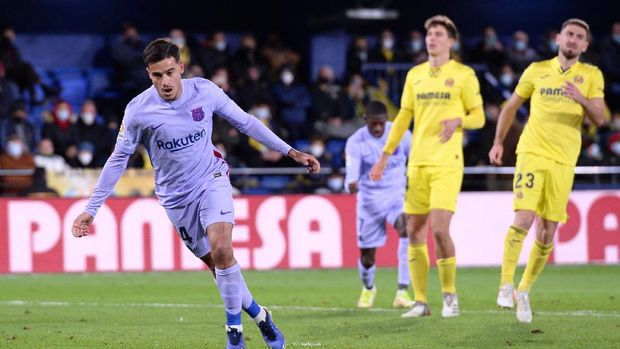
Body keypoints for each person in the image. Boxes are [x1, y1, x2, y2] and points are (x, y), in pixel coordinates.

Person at [71, 38, 320, 349]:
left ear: (181, 68)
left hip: (211, 178)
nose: (165, 82)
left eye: (170, 73)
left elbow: (245, 122)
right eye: (156, 76)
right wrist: (92, 208)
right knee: (220, 267)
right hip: (176, 198)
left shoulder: (205, 91)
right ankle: (261, 316)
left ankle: (234, 333)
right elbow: (118, 158)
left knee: (222, 249)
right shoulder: (138, 111)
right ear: (148, 75)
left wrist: (290, 152)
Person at [489, 18, 606, 323]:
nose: (573, 40)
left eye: (579, 37)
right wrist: (498, 142)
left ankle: (523, 291)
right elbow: (510, 107)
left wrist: (581, 99)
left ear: (585, 45)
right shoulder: (536, 70)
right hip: (532, 152)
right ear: (558, 38)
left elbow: (601, 119)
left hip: (564, 160)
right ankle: (505, 283)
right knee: (524, 217)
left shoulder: (591, 75)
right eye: (569, 34)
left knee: (548, 230)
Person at [370, 15, 485, 318]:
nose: (431, 38)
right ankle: (421, 301)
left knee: (439, 229)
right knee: (414, 232)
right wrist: (385, 156)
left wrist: (459, 120)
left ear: (451, 41)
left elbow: (480, 116)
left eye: (437, 34)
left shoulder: (464, 75)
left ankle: (450, 296)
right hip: (417, 163)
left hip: (447, 163)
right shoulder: (415, 75)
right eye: (429, 34)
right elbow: (403, 118)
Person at [345, 100, 413, 309]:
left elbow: (415, 158)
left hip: (396, 197)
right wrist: (352, 185)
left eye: (381, 124)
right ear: (365, 120)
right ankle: (368, 287)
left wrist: (413, 177)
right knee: (367, 258)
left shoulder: (401, 134)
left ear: (386, 121)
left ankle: (403, 291)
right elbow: (351, 177)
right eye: (373, 123)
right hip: (369, 203)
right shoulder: (355, 142)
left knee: (406, 229)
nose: (377, 128)